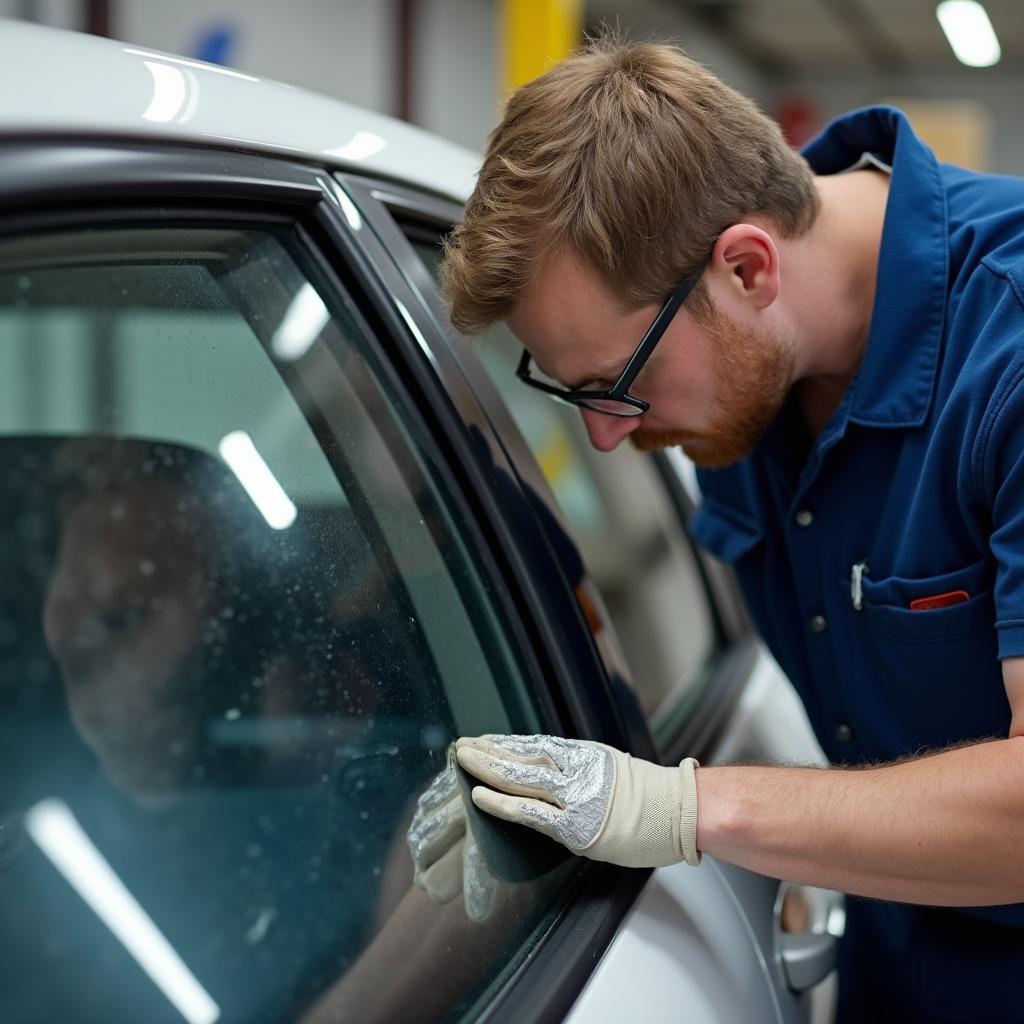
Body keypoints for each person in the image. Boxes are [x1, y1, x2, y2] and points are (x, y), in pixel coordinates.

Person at [440, 33, 1024, 1023]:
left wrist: (682, 809)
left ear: (746, 268)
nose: (606, 436)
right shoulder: (748, 370)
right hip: (899, 972)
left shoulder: (1003, 353)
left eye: (612, 385)